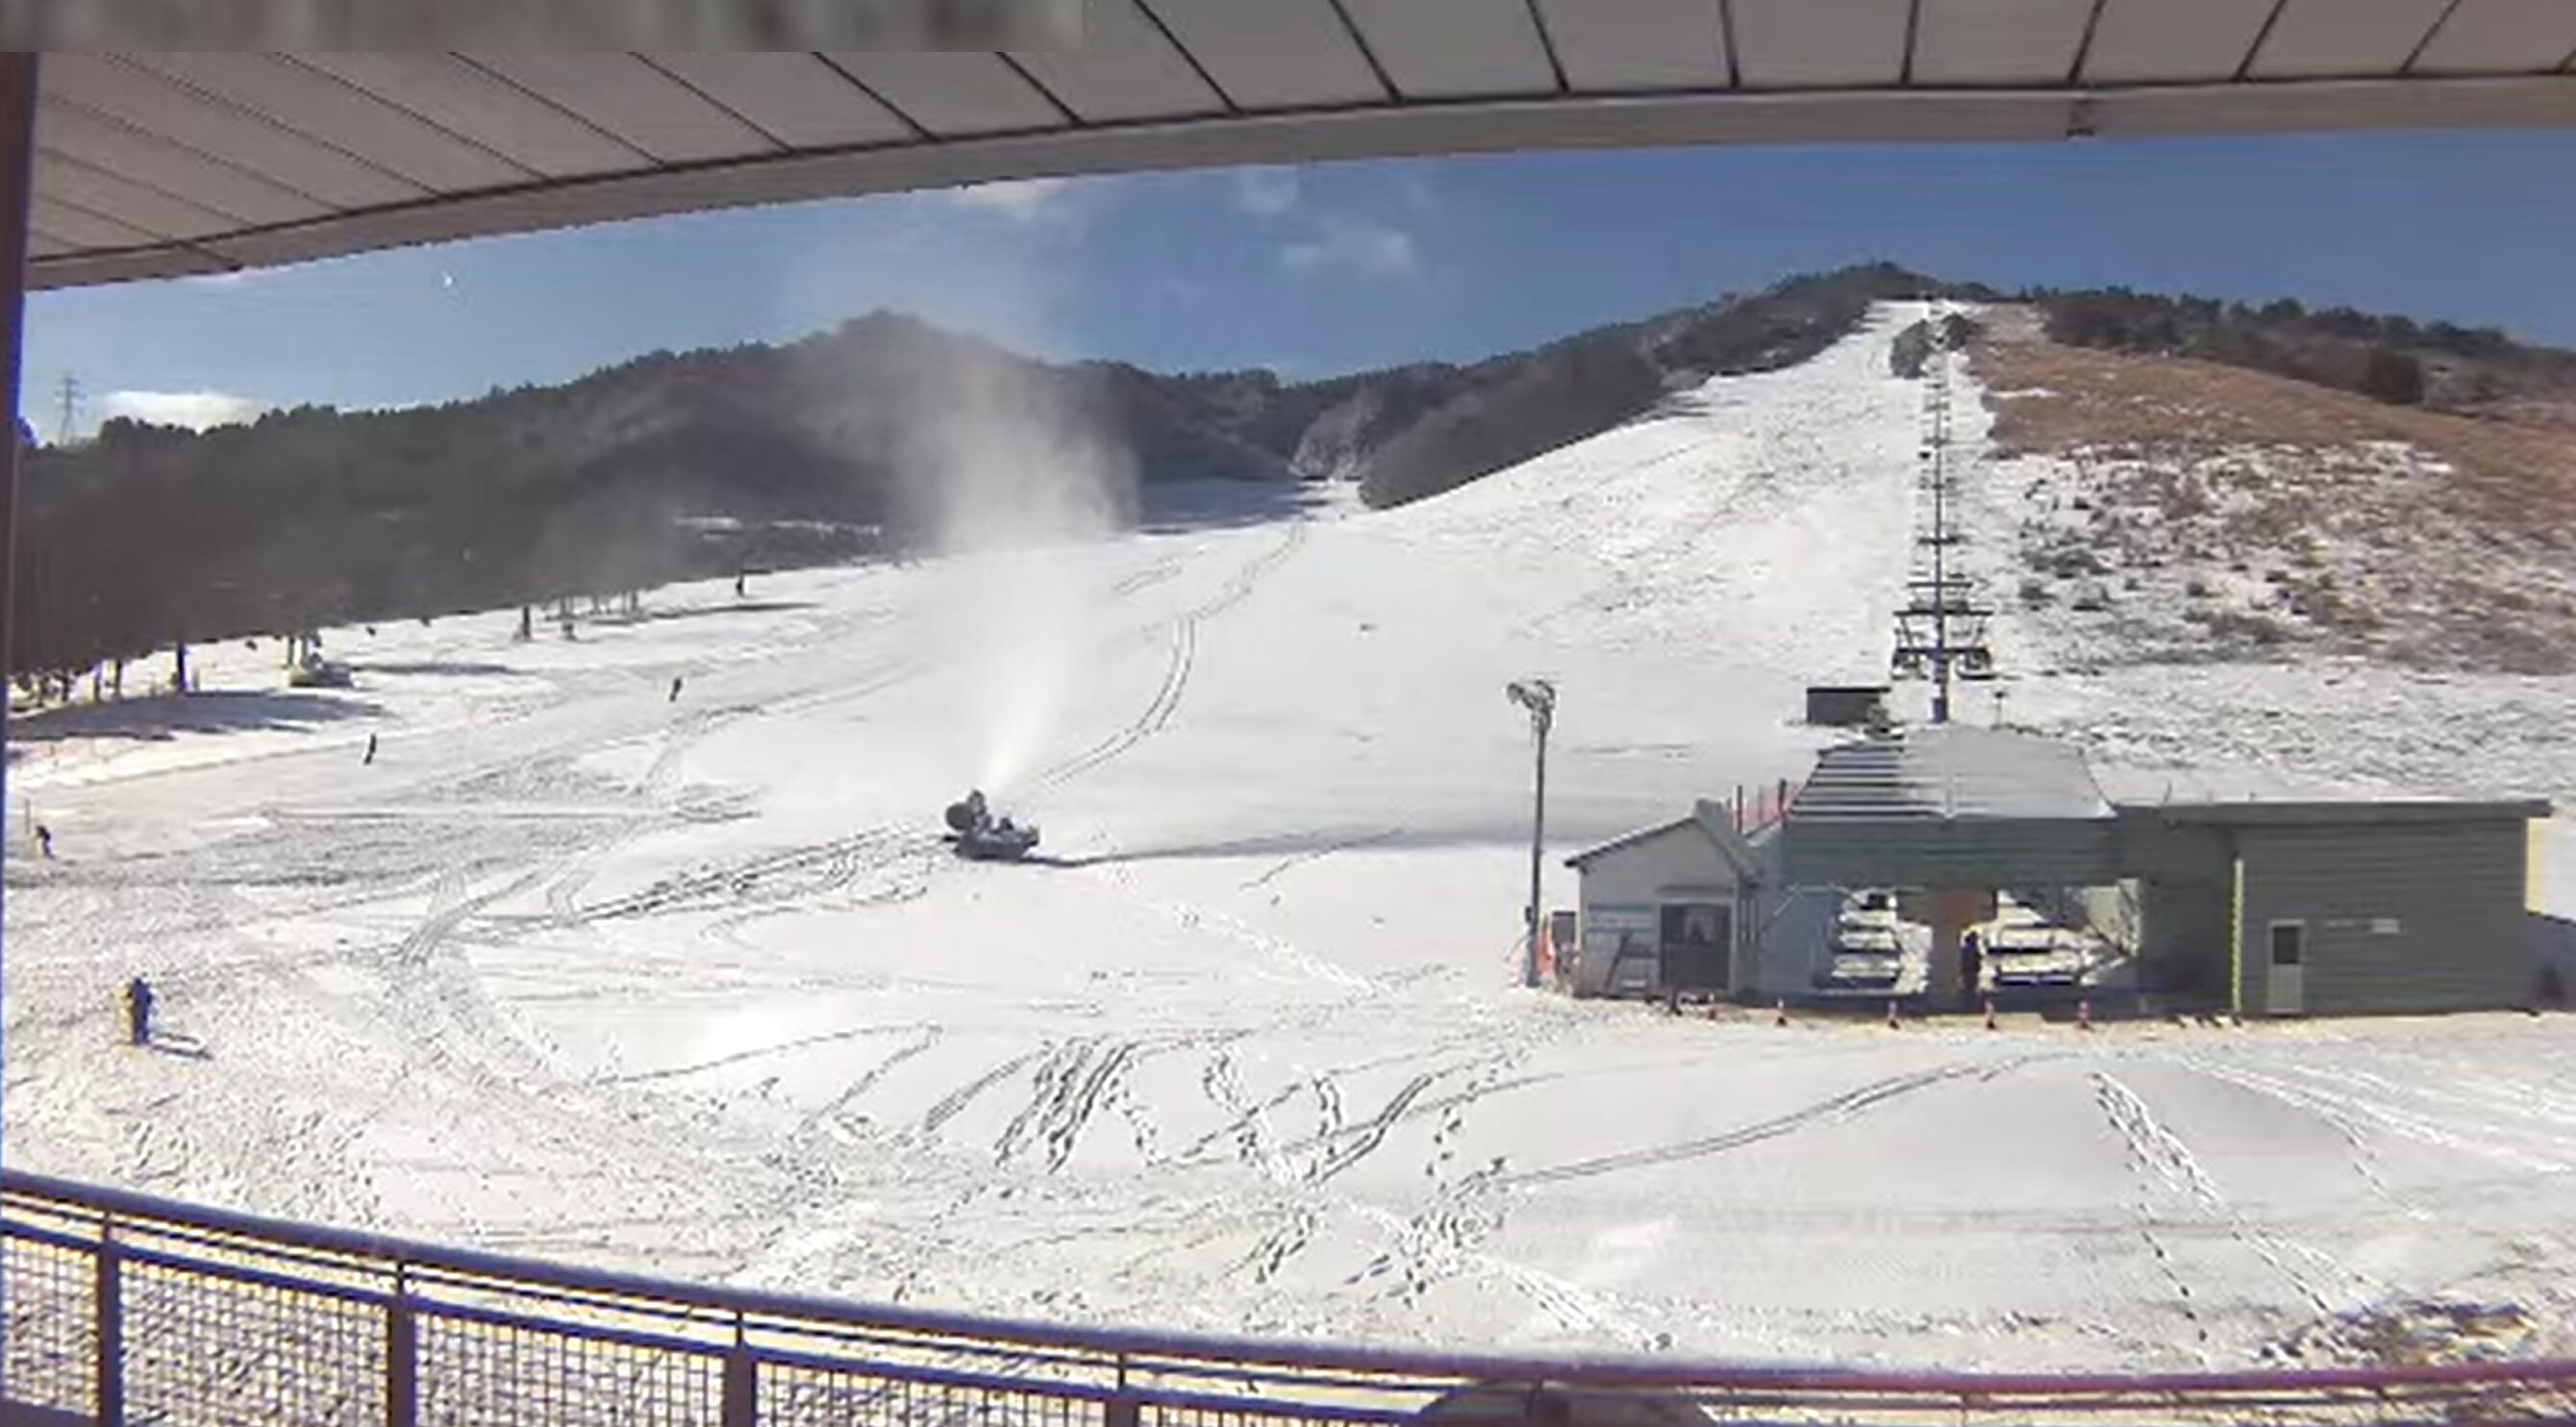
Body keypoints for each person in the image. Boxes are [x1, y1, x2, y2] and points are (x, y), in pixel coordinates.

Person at [124, 976, 154, 1047]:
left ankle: (135, 1039)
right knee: (144, 1024)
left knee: (136, 1024)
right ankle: (145, 1038)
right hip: (144, 1009)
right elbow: (150, 998)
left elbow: (128, 995)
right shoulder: (145, 988)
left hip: (137, 1008)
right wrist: (148, 1005)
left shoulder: (133, 988)